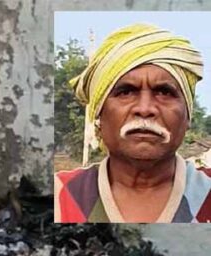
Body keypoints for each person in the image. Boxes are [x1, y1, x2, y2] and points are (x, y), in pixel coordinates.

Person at [55, 23, 211, 223]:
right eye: (126, 92)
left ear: (187, 116)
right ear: (99, 114)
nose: (145, 109)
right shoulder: (57, 197)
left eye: (164, 92)